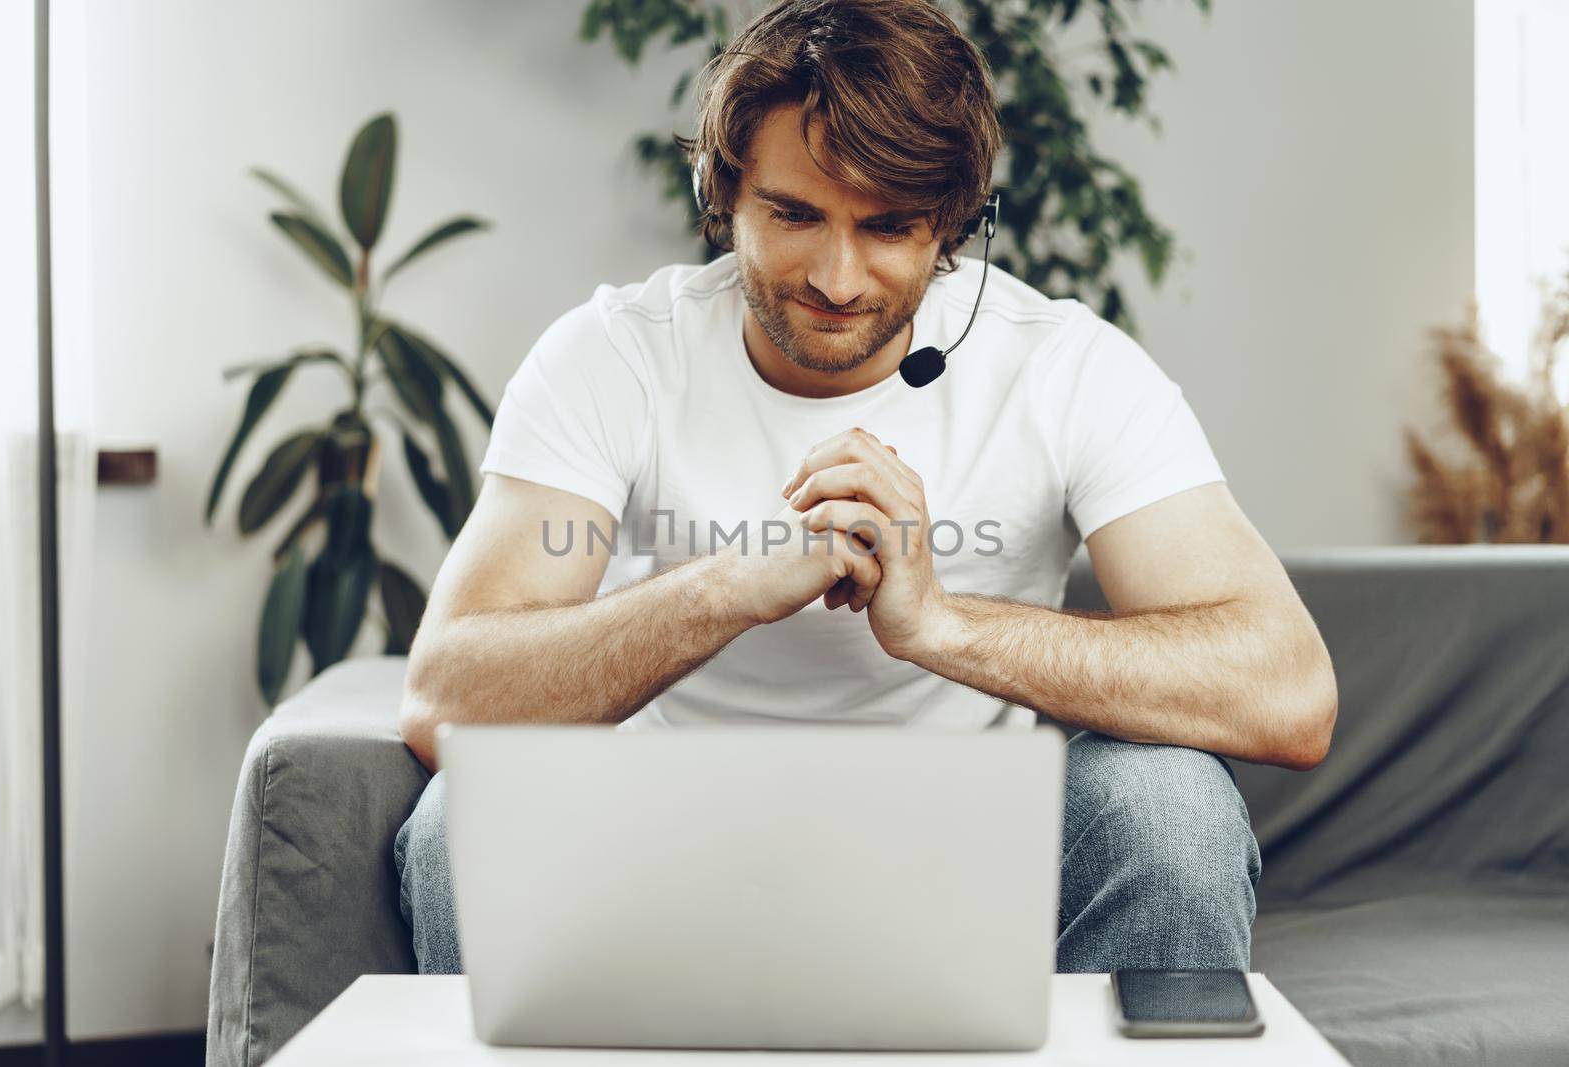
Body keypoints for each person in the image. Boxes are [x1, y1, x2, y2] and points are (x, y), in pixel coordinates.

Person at [394, 0, 1336, 978]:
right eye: (794, 214)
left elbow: (1290, 691)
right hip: (666, 828)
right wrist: (723, 587)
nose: (838, 278)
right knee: (461, 810)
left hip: (974, 843)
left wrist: (938, 623)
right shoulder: (614, 355)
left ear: (956, 230)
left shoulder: (1066, 368)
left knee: (1175, 803)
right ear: (724, 196)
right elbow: (443, 698)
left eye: (888, 226)